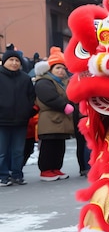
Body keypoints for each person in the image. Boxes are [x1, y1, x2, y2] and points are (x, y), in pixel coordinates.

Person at [35, 47, 75, 182]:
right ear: (50, 69)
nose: (61, 71)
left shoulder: (63, 83)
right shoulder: (44, 81)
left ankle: (56, 168)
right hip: (49, 119)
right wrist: (64, 106)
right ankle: (46, 170)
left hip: (61, 120)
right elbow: (49, 97)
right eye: (58, 68)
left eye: (63, 68)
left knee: (59, 145)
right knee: (49, 146)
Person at [0, 49, 37, 186]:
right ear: (5, 62)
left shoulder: (25, 78)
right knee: (2, 151)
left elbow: (32, 97)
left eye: (17, 61)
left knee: (18, 151)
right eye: (11, 60)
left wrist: (28, 112)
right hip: (2, 121)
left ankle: (17, 174)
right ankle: (3, 175)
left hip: (21, 121)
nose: (14, 63)